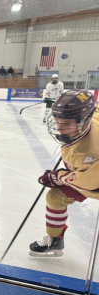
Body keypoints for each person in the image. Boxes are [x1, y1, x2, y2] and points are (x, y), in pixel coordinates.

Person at [30, 89, 98, 257]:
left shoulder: (87, 153)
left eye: (66, 124)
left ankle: (54, 239)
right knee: (55, 197)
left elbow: (89, 183)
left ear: (84, 121)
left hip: (93, 178)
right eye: (57, 121)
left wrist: (58, 177)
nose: (59, 129)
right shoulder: (92, 115)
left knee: (55, 196)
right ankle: (55, 239)